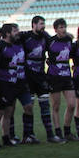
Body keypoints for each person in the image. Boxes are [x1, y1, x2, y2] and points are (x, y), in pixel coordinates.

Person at [17, 15, 59, 143]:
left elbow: (54, 44)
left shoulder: (45, 37)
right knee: (29, 107)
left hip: (41, 77)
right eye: (41, 24)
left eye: (44, 24)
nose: (43, 26)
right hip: (28, 78)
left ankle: (50, 135)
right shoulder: (25, 36)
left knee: (45, 105)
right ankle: (27, 135)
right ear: (33, 25)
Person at [0, 23, 37, 145]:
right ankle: (9, 136)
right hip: (9, 82)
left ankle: (28, 135)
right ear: (8, 33)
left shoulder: (21, 42)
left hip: (22, 81)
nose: (18, 32)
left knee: (28, 107)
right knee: (10, 110)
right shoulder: (2, 46)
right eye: (15, 30)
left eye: (18, 29)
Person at [47, 18, 78, 141]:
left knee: (71, 104)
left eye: (64, 27)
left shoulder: (69, 40)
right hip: (54, 76)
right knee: (56, 106)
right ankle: (58, 132)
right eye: (61, 27)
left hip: (66, 75)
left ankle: (67, 131)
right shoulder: (50, 41)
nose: (63, 29)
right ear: (55, 29)